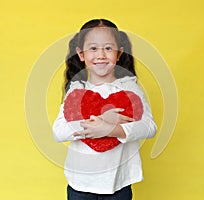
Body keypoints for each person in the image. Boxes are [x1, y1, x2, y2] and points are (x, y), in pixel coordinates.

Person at [53, 19, 157, 200]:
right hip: (80, 186)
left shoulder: (129, 88)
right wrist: (101, 121)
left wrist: (113, 129)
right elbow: (59, 132)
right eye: (93, 48)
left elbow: (149, 127)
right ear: (81, 54)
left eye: (108, 48)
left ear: (119, 54)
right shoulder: (77, 90)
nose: (101, 54)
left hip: (118, 186)